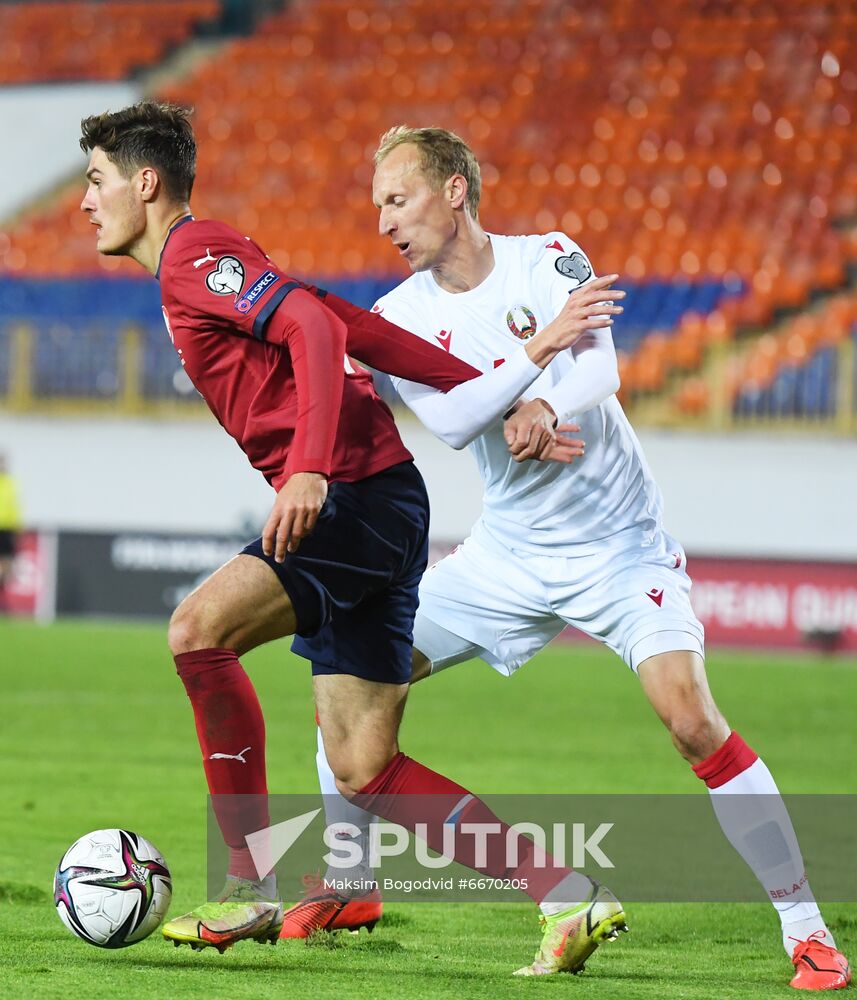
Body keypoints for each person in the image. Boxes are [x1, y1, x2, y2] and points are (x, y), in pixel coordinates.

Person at [292, 126, 852, 993]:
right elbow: (448, 422)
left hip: (619, 549)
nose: (384, 223)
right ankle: (348, 886)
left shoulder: (547, 256)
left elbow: (601, 370)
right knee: (351, 685)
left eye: (396, 200)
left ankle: (806, 930)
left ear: (452, 190)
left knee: (690, 718)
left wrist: (544, 401)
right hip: (504, 557)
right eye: (376, 208)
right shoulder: (399, 315)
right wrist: (534, 357)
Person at [78, 101, 630, 976]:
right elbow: (348, 319)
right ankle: (567, 896)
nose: (84, 200)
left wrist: (307, 468)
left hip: (350, 497)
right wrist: (502, 389)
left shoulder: (192, 256)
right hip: (385, 501)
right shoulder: (221, 252)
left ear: (145, 184)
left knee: (197, 633)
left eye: (97, 179)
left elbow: (308, 329)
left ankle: (248, 886)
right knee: (364, 764)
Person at [0, 453, 22, 612]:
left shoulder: (10, 483)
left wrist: (17, 528)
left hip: (7, 529)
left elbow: (15, 507)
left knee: (7, 567)